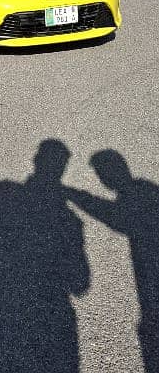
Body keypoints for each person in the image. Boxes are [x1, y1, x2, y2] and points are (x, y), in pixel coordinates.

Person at [0, 140, 90, 372]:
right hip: (48, 322)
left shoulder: (4, 191)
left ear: (35, 161)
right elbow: (80, 283)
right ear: (63, 170)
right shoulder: (70, 221)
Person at [65, 150, 159, 373]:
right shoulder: (146, 190)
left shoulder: (142, 193)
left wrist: (74, 195)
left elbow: (117, 218)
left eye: (101, 172)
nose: (101, 177)